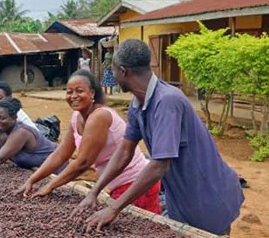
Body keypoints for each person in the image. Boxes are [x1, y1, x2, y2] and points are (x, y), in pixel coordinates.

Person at [74, 39, 244, 236]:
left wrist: (113, 209)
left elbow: (159, 165)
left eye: (112, 71)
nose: (112, 76)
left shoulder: (167, 102)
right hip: (181, 198)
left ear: (123, 71)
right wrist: (95, 191)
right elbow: (124, 151)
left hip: (208, 196)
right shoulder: (137, 105)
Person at [17, 70, 161, 214]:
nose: (73, 96)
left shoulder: (100, 116)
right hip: (116, 185)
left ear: (92, 93)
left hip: (134, 184)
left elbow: (83, 163)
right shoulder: (76, 117)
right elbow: (60, 154)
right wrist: (32, 179)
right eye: (69, 92)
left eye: (79, 91)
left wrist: (50, 186)